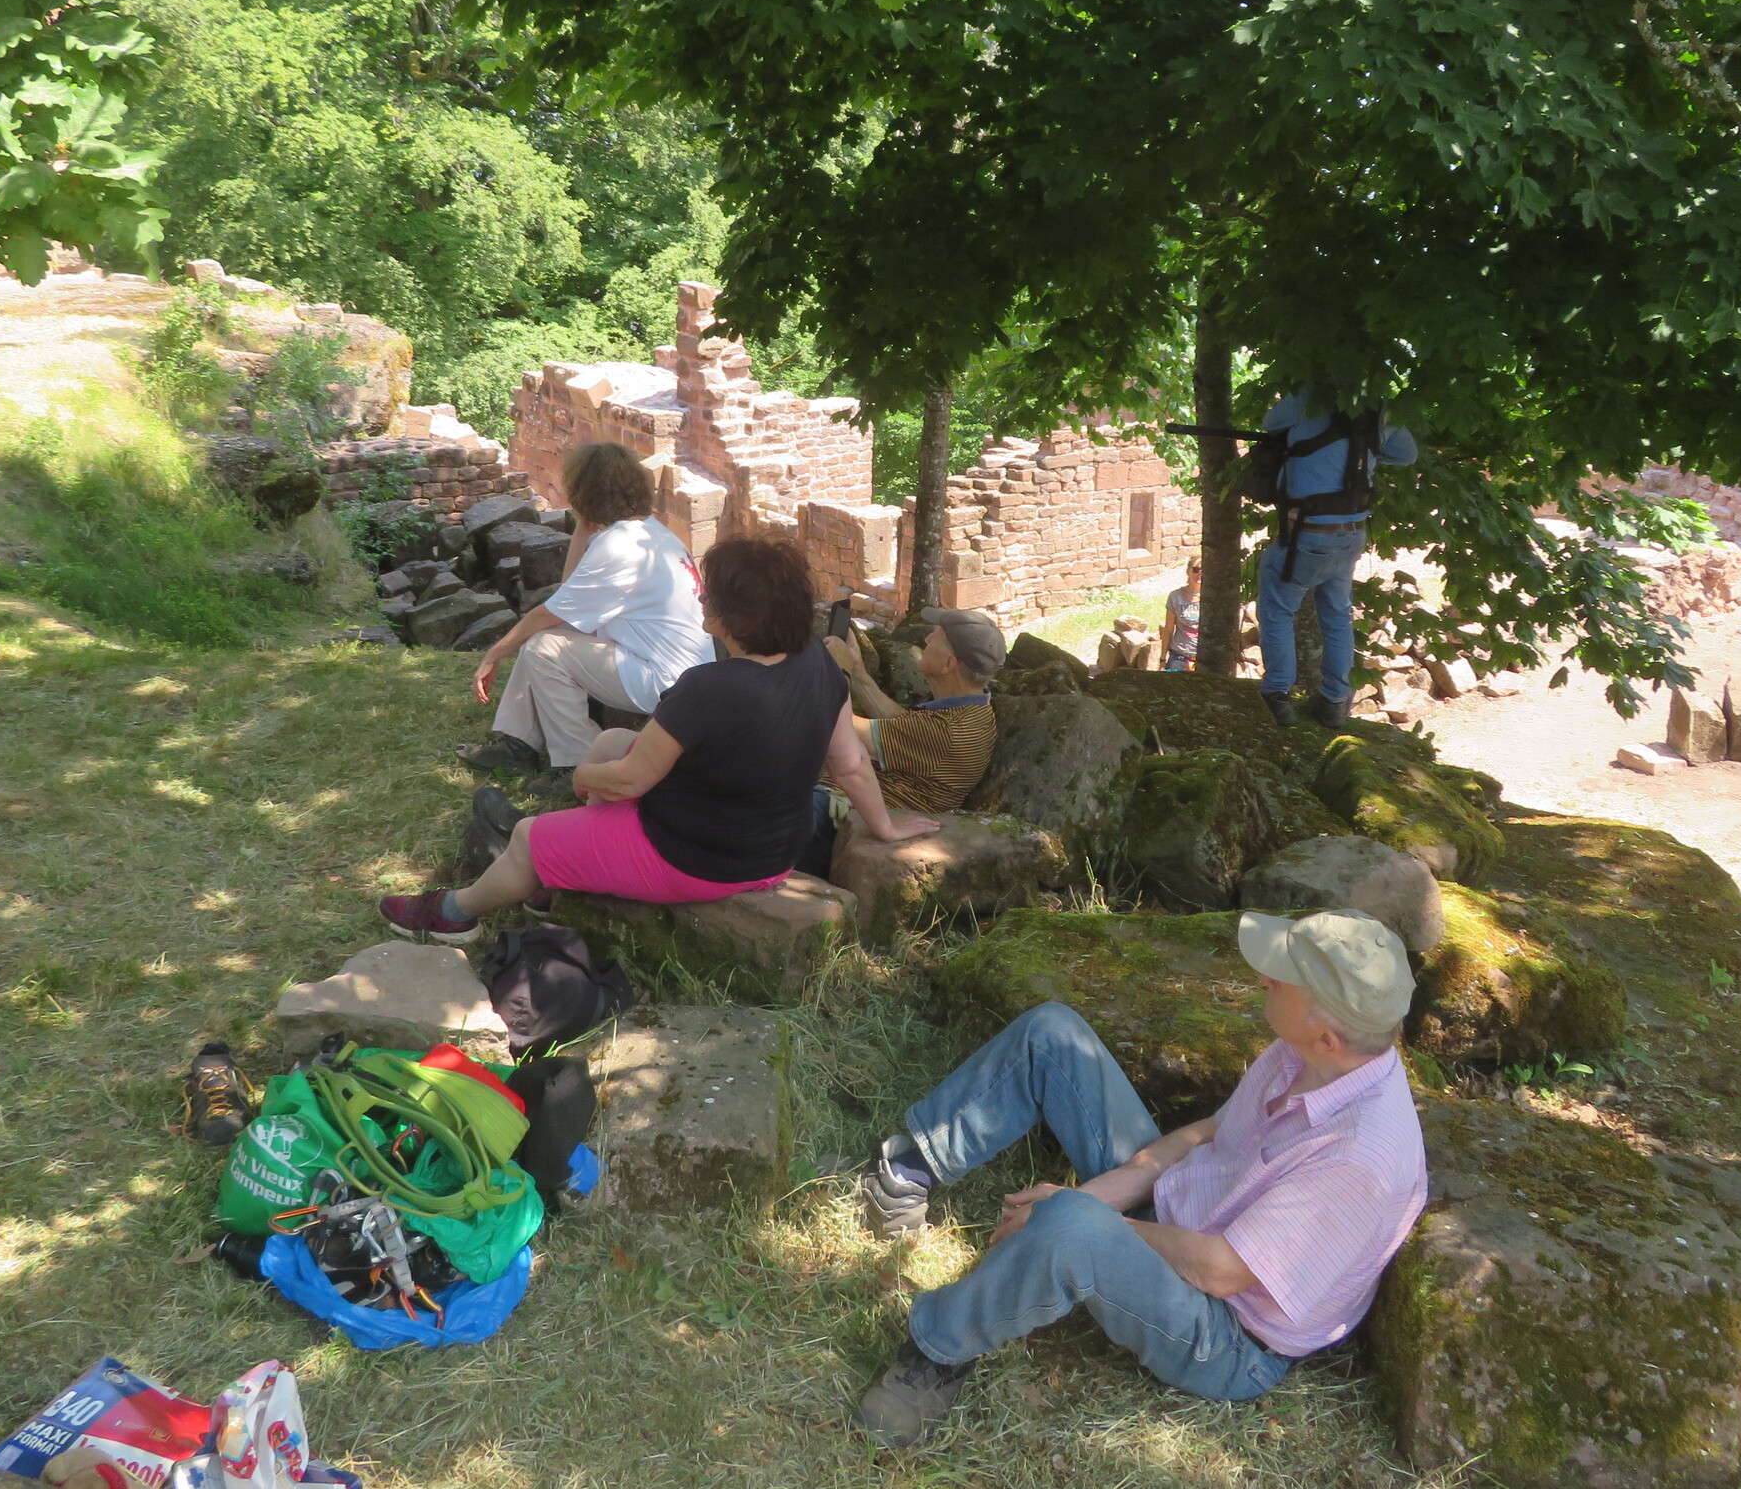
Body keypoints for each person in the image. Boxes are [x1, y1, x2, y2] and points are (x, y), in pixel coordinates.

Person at [850, 910, 1426, 1451]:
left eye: (1283, 978)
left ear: (1328, 1037)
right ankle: (913, 1168)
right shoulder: (1309, 1053)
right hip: (1184, 1214)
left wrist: (1084, 1218)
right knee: (1055, 1035)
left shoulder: (1358, 1159)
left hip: (1224, 1334)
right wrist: (1108, 1190)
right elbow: (1211, 1131)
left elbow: (1220, 1271)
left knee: (1070, 1228)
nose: (1262, 978)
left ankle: (936, 1353)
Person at [385, 536, 940, 944]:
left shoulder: (708, 688)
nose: (700, 599)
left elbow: (630, 782)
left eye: (708, 594)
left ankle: (453, 914)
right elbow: (850, 765)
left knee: (532, 833)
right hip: (774, 848)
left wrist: (580, 777)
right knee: (612, 741)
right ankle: (569, 872)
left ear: (730, 616)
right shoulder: (817, 659)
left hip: (700, 857)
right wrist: (885, 826)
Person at [457, 442, 713, 776]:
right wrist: (585, 522)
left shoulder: (618, 546)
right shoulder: (651, 534)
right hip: (682, 675)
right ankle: (518, 743)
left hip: (666, 681)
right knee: (547, 633)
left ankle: (578, 763)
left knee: (542, 645)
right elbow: (568, 593)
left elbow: (547, 613)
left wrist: (494, 653)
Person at [1255, 391, 1416, 729]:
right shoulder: (1378, 405)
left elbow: (1270, 423)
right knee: (1338, 616)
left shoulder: (1306, 397)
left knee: (1278, 610)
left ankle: (1277, 695)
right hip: (1351, 532)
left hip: (1308, 533)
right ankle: (1333, 701)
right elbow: (1406, 454)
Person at [819, 608, 1005, 816]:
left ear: (948, 664)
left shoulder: (947, 730)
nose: (927, 639)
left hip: (845, 813)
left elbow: (837, 725)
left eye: (937, 636)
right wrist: (858, 673)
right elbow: (904, 727)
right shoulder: (974, 711)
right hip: (853, 803)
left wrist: (839, 672)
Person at [1160, 557, 1202, 671]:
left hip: (1204, 657)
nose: (1200, 573)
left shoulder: (1211, 599)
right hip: (1180, 654)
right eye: (1196, 570)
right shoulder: (1175, 597)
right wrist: (1163, 659)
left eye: (1204, 570)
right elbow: (1168, 630)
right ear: (1188, 571)